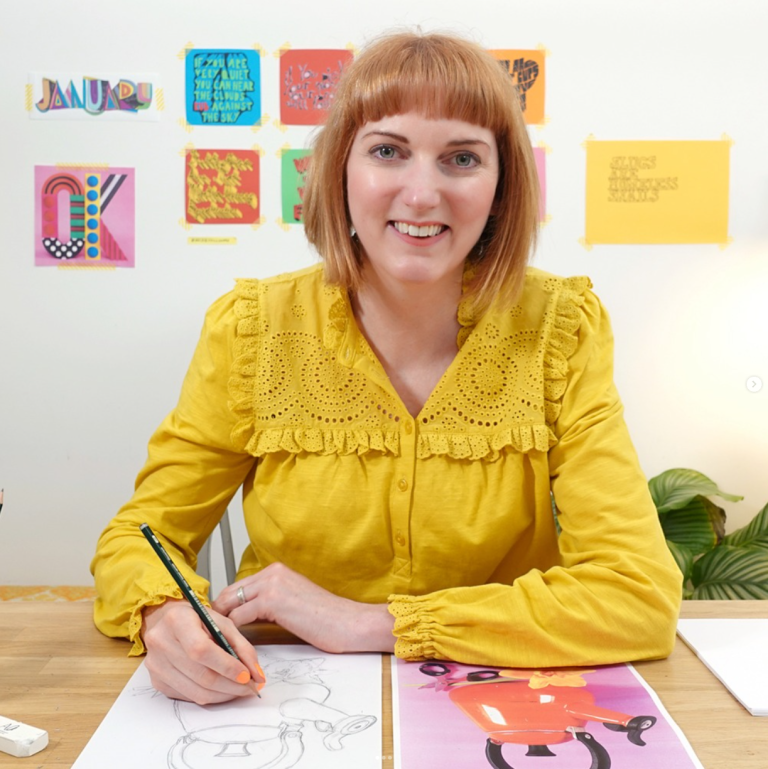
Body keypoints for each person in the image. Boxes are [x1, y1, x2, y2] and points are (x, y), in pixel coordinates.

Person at [92, 31, 682, 706]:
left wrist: (374, 623)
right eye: (387, 151)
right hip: (280, 700)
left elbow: (636, 593)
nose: (423, 193)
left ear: (501, 186)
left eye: (461, 157)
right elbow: (138, 539)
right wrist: (163, 615)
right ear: (341, 168)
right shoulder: (252, 328)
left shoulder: (560, 328)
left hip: (499, 706)